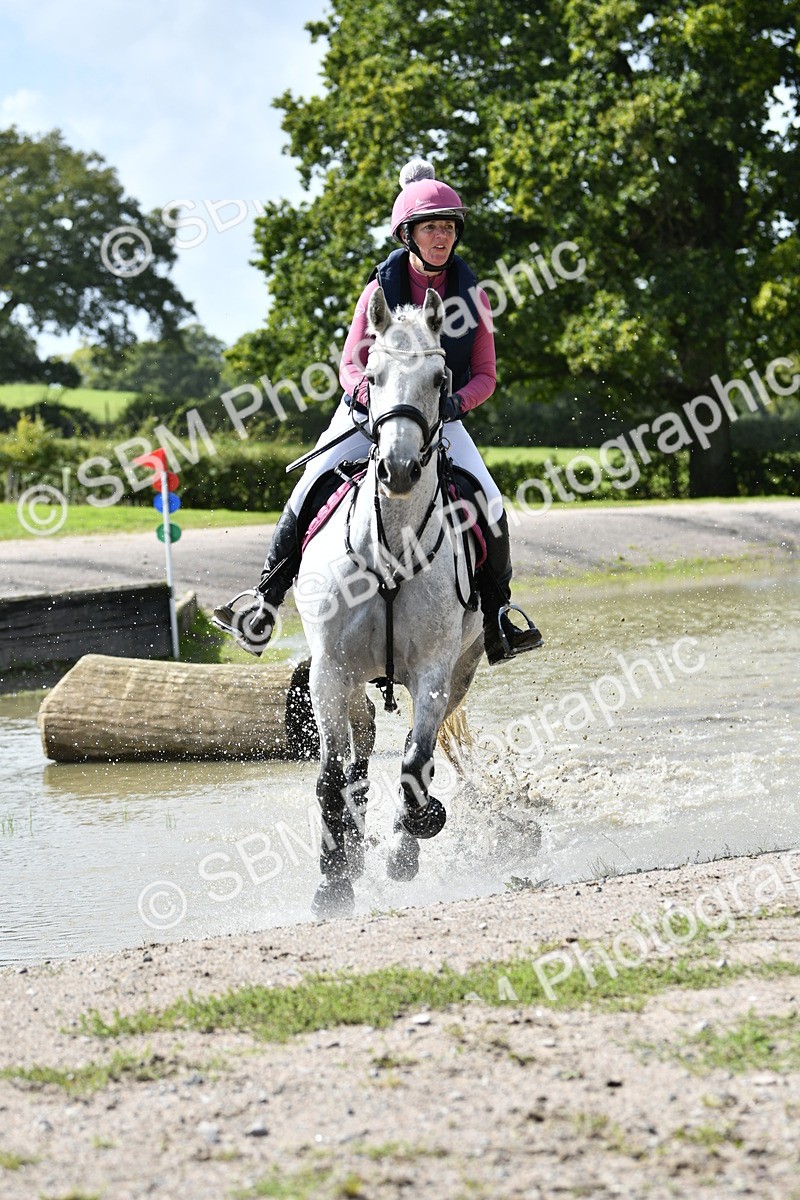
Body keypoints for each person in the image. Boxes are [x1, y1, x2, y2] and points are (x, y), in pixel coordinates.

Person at [213, 158, 543, 665]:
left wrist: (454, 404)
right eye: (432, 227)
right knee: (310, 484)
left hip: (439, 415)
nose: (443, 237)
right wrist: (371, 404)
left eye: (449, 227)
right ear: (408, 234)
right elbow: (350, 364)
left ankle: (499, 615)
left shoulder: (473, 296)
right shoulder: (378, 290)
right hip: (369, 410)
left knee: (490, 501)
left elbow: (485, 375)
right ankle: (264, 602)